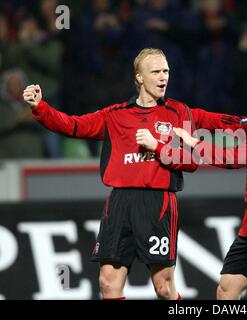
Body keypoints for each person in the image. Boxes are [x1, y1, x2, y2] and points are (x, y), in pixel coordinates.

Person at [23, 48, 198, 300]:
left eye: (166, 71)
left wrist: (157, 146)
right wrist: (41, 107)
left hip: (157, 202)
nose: (163, 77)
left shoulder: (178, 112)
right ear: (139, 77)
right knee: (108, 282)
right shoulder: (116, 115)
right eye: (156, 72)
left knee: (163, 287)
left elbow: (191, 161)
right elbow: (73, 125)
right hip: (119, 203)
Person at [137, 73, 247, 300]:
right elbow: (220, 121)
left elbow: (235, 158)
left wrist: (193, 142)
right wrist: (175, 111)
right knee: (227, 290)